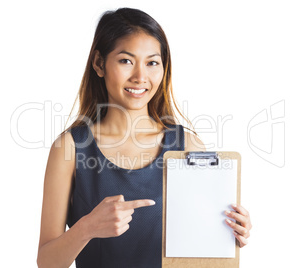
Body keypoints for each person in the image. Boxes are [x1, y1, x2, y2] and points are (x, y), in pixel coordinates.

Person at [37, 7, 252, 268]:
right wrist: (87, 228)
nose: (140, 77)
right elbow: (47, 261)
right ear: (99, 63)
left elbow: (199, 257)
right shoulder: (69, 148)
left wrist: (226, 235)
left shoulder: (189, 146)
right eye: (126, 60)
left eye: (152, 63)